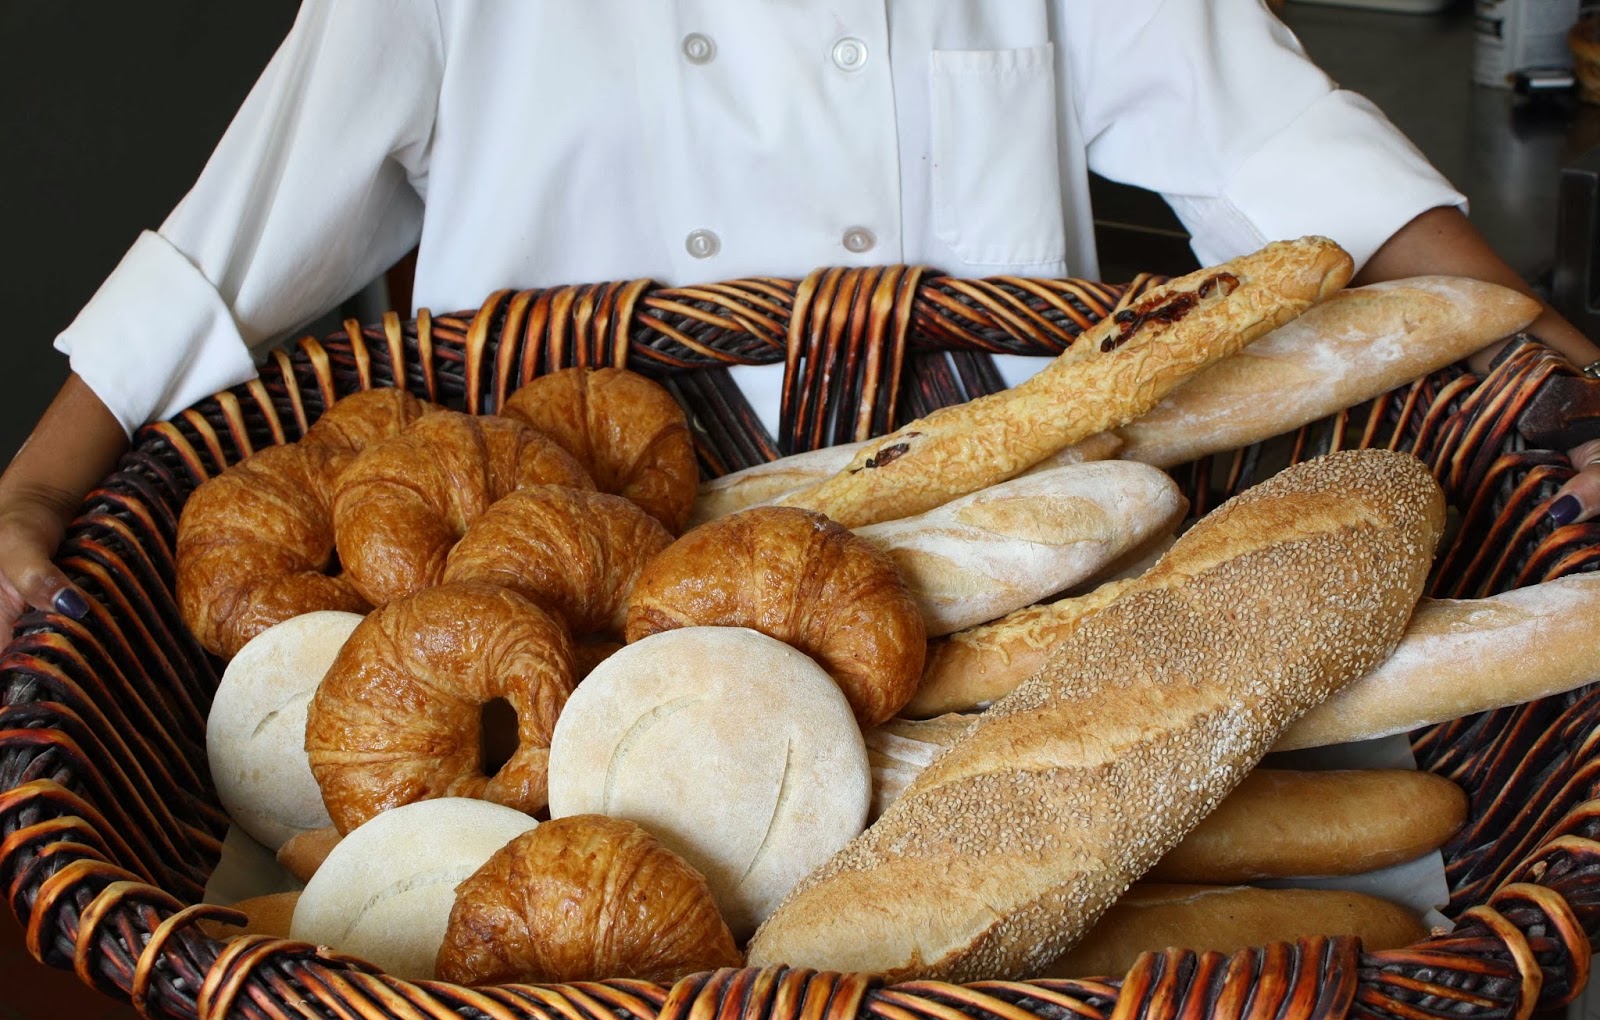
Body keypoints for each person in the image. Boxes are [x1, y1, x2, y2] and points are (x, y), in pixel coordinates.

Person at [2, 0, 1597, 631]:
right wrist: (42, 485)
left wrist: (1516, 321)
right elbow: (237, 235)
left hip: (996, 594)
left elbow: (1263, 132)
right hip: (569, 624)